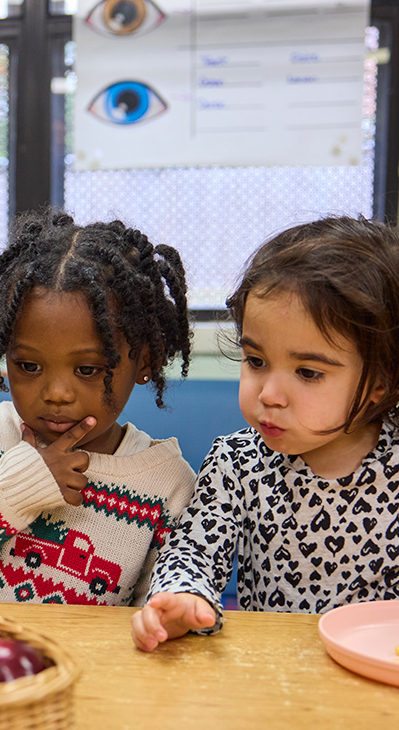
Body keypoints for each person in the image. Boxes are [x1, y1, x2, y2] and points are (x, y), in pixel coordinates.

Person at [0, 209, 195, 605]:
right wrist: (21, 484)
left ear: (144, 362)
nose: (56, 393)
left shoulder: (167, 484)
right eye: (29, 366)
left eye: (88, 369)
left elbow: (151, 619)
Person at [133, 216, 399, 651]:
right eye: (256, 361)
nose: (270, 395)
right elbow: (194, 549)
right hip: (267, 673)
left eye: (308, 373)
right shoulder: (237, 462)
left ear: (380, 383)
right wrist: (182, 596)